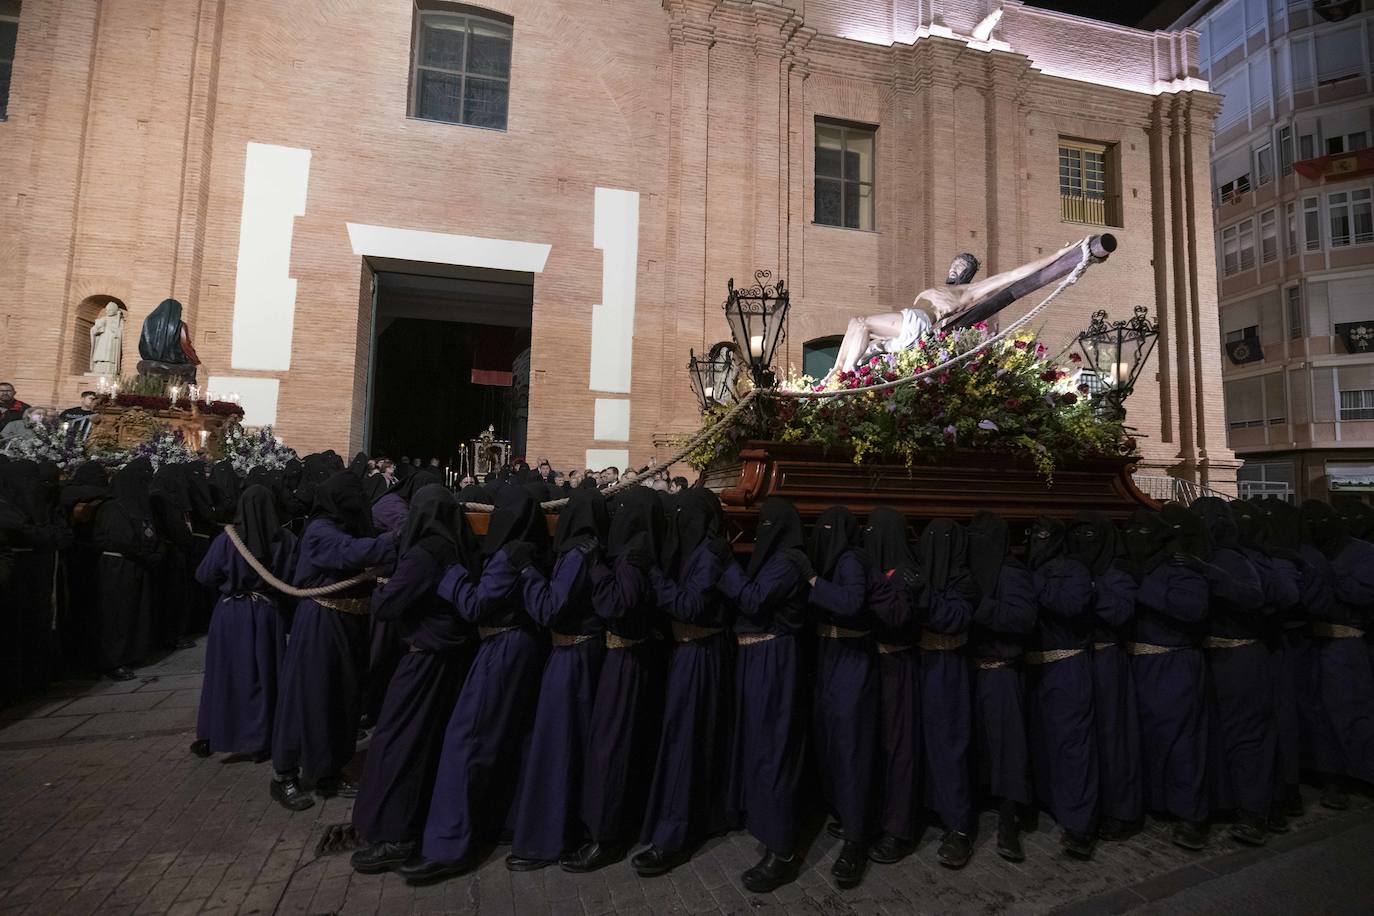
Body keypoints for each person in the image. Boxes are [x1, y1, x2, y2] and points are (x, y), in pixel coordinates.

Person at [401, 487, 549, 885]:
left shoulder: (506, 556)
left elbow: (474, 605)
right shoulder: (532, 548)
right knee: (509, 739)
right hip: (524, 647)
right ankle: (500, 823)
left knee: (467, 741)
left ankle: (449, 845)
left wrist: (450, 572)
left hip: (501, 648)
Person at [350, 486, 479, 874]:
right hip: (450, 659)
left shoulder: (425, 553)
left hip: (422, 661)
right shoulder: (456, 546)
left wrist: (384, 589)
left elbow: (388, 607)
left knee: (399, 744)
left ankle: (394, 835)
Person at [270, 472, 397, 810]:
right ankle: (285, 774)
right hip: (321, 623)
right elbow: (351, 553)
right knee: (309, 695)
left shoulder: (348, 527)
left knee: (343, 697)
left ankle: (329, 769)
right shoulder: (320, 531)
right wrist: (397, 540)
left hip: (351, 622)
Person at [505, 487, 609, 872]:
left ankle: (547, 839)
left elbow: (550, 607)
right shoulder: (591, 548)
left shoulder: (578, 553)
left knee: (557, 746)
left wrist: (526, 570)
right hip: (577, 654)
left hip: (573, 658)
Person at [565, 488, 666, 873]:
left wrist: (595, 566)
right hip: (626, 657)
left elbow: (615, 604)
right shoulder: (636, 551)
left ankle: (604, 838)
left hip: (625, 660)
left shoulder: (633, 557)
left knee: (611, 746)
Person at [635, 488, 734, 877]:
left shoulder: (710, 553)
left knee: (686, 741)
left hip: (700, 654)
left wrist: (654, 575)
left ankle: (673, 837)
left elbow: (690, 606)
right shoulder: (696, 548)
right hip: (688, 652)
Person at [717, 497, 810, 893]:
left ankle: (782, 850)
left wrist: (726, 568)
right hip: (757, 657)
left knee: (774, 748)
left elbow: (754, 599)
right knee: (755, 743)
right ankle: (758, 819)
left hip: (775, 659)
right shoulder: (775, 556)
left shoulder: (788, 560)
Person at [190, 485, 297, 761]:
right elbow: (290, 577)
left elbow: (204, 575)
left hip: (231, 615)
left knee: (226, 675)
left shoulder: (229, 539)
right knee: (264, 676)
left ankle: (218, 733)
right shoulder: (284, 539)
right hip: (265, 613)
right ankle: (262, 738)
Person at [1190, 498, 1274, 846]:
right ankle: (1224, 804)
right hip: (1208, 657)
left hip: (1239, 657)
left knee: (1246, 738)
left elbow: (1251, 596)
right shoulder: (1204, 556)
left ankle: (1254, 813)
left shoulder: (1232, 558)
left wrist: (1209, 573)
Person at [1128, 506, 1212, 851]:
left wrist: (1141, 588)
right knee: (1146, 742)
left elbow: (1191, 608)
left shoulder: (1180, 567)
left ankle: (1189, 816)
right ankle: (1156, 803)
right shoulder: (1136, 566)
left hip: (1173, 663)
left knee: (1182, 743)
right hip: (1138, 666)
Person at [806, 505, 879, 888]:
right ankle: (847, 818)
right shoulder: (840, 557)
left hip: (850, 660)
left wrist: (814, 582)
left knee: (851, 747)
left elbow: (851, 603)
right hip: (831, 658)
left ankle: (856, 838)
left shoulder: (850, 559)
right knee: (833, 742)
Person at [1023, 516, 1097, 859]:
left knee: (1072, 748)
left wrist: (1035, 583)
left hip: (1066, 665)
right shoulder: (1030, 568)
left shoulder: (1074, 569)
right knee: (1042, 744)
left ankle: (1079, 826)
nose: (1038, 542)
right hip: (1036, 668)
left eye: (1044, 536)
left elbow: (1071, 605)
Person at [966, 511, 1036, 863]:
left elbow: (1022, 618)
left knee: (1008, 748)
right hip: (971, 672)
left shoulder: (1010, 572)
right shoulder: (972, 568)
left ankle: (1010, 819)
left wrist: (981, 606)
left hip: (1001, 672)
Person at [1069, 511, 1142, 842]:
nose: (1085, 543)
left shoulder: (1117, 570)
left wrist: (1091, 592)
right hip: (1078, 660)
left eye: (1091, 536)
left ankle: (1120, 811)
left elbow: (1120, 611)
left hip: (1108, 659)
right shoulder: (1073, 566)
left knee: (1114, 738)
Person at [1298, 500, 1374, 806]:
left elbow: (1364, 594)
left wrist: (1327, 578)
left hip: (1346, 644)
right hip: (1312, 643)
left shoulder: (1363, 553)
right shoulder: (1309, 552)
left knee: (1352, 711)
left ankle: (1362, 774)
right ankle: (1332, 777)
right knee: (1317, 715)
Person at [915, 518, 978, 867]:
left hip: (947, 666)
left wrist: (924, 596)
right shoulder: (920, 570)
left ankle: (959, 827)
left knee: (949, 744)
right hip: (916, 663)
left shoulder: (964, 580)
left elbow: (953, 618)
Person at [860, 508, 921, 866]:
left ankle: (898, 828)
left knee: (899, 748)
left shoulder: (907, 572)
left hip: (897, 668)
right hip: (874, 667)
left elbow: (898, 617)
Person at [92, 458, 162, 681]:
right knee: (117, 614)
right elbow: (121, 538)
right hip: (118, 565)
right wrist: (145, 553)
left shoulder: (138, 503)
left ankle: (132, 652)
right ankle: (113, 661)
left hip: (136, 564)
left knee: (134, 611)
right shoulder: (113, 507)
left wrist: (154, 551)